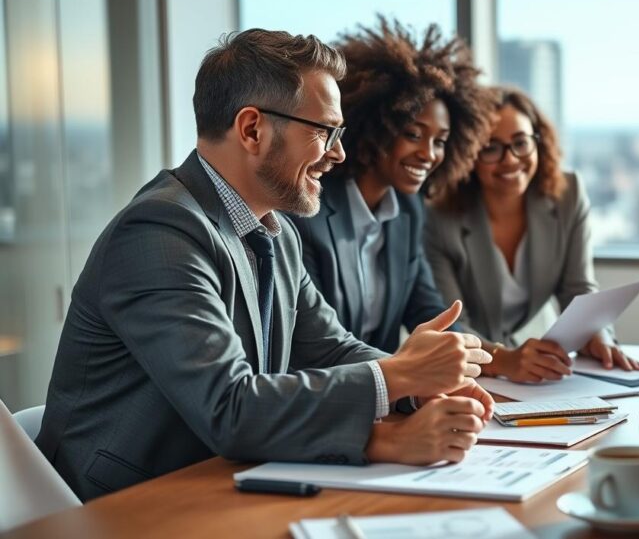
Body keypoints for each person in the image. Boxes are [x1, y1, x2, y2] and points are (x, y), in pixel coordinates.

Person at [35, 29, 494, 501]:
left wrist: (419, 388)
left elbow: (331, 350)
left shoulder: (277, 232)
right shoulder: (158, 232)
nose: (338, 153)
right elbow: (229, 407)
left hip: (224, 483)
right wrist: (398, 377)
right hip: (127, 507)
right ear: (252, 129)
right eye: (324, 131)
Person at [288, 18, 493, 353]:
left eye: (440, 141)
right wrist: (409, 378)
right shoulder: (308, 208)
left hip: (391, 395)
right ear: (375, 125)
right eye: (413, 134)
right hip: (334, 394)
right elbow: (317, 345)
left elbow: (427, 312)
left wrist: (498, 356)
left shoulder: (409, 211)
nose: (428, 154)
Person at [425, 87, 639, 384]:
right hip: (463, 370)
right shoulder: (439, 216)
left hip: (524, 375)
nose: (511, 159)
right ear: (469, 154)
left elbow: (577, 289)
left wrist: (598, 335)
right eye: (491, 147)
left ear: (539, 142)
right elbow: (451, 323)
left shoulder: (568, 194)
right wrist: (502, 360)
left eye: (521, 143)